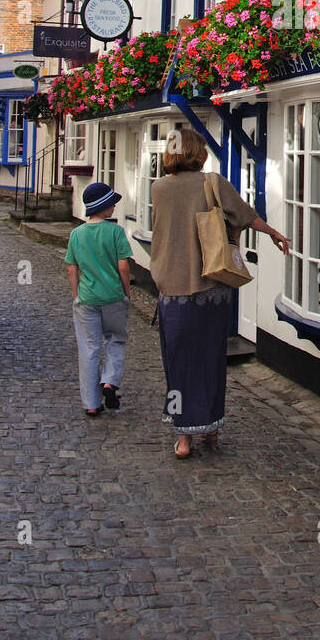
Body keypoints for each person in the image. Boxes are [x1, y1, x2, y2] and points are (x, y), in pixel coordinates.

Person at [150, 128, 289, 459]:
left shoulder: (159, 188)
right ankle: (210, 428)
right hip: (212, 289)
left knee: (179, 364)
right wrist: (271, 232)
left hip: (173, 288)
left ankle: (184, 439)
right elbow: (245, 215)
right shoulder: (211, 182)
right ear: (198, 151)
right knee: (211, 360)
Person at [65, 181, 132, 417]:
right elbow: (123, 266)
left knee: (89, 348)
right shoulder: (115, 232)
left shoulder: (77, 234)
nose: (114, 206)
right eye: (111, 203)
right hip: (113, 296)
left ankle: (91, 404)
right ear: (102, 206)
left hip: (87, 298)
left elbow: (72, 269)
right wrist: (126, 292)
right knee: (115, 339)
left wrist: (76, 295)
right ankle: (110, 381)